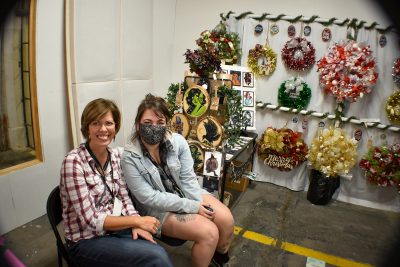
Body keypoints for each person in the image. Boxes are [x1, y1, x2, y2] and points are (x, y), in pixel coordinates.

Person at [121, 94, 234, 267]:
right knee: (209, 233)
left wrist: (196, 203)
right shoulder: (129, 157)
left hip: (184, 194)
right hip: (158, 210)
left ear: (166, 123)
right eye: (148, 123)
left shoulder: (178, 142)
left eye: (160, 123)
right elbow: (149, 198)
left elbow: (188, 179)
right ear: (137, 125)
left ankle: (219, 259)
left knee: (226, 220)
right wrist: (193, 207)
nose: (154, 128)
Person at [59, 98, 173, 267]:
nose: (103, 129)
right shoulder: (73, 163)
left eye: (109, 123)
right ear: (86, 128)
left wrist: (135, 220)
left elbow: (123, 196)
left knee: (154, 248)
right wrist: (136, 221)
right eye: (96, 123)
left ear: (116, 127)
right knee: (157, 257)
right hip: (86, 241)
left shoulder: (115, 156)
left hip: (114, 229)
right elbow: (90, 220)